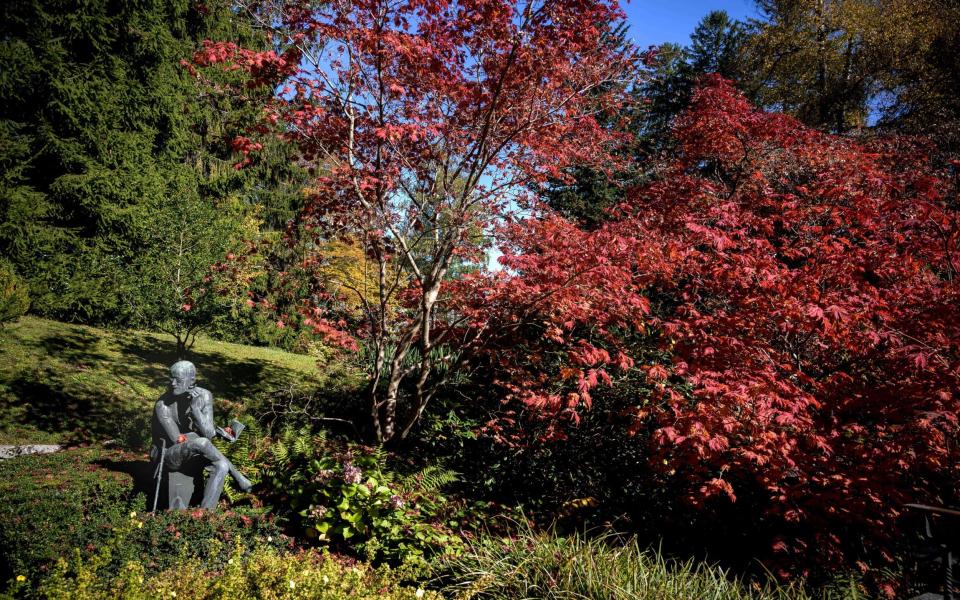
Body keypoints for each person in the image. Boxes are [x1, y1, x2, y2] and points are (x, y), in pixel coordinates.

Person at [151, 360, 252, 509]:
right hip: (167, 454)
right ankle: (237, 476)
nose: (172, 383)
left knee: (221, 466)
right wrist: (199, 438)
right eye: (170, 378)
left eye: (177, 379)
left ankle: (205, 515)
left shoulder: (204, 396)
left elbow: (209, 433)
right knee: (203, 443)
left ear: (192, 380)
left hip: (195, 449)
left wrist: (195, 410)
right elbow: (178, 439)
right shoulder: (163, 405)